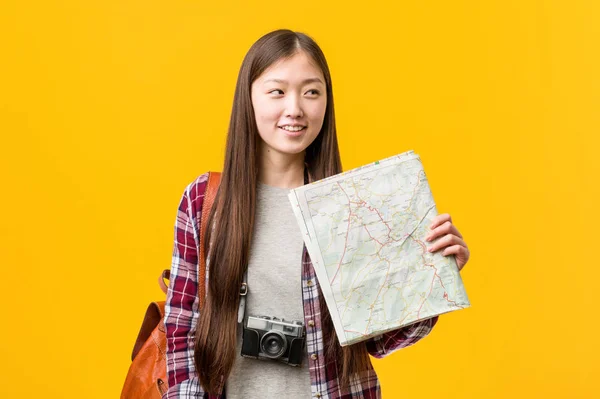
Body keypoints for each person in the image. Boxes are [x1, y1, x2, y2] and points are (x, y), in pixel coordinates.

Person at [163, 29, 471, 399]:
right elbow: (181, 328)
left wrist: (432, 280)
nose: (294, 108)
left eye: (311, 92)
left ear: (327, 102)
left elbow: (379, 342)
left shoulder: (351, 206)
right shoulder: (204, 200)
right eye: (277, 91)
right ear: (248, 98)